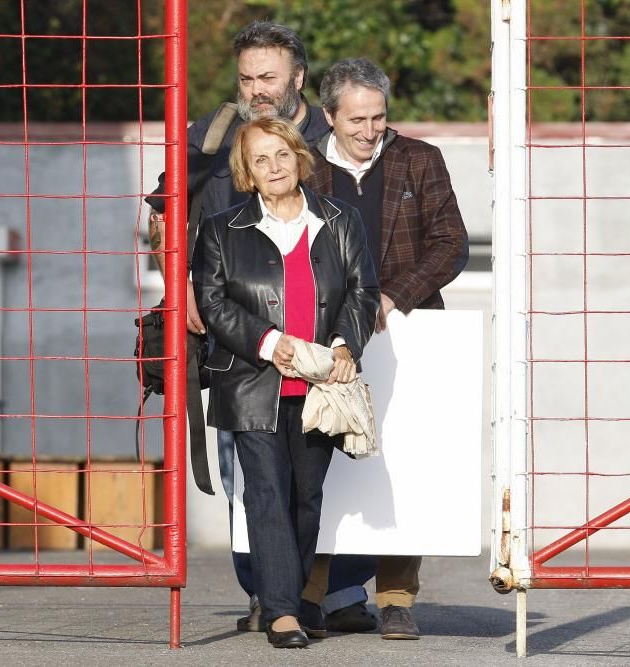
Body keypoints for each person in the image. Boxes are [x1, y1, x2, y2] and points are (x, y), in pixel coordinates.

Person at [143, 21, 331, 630]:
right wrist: (182, 287)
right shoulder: (208, 137)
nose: (257, 90)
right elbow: (164, 215)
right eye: (247, 77)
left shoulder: (333, 136)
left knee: (311, 482)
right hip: (231, 331)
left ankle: (314, 591)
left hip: (318, 334)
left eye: (268, 77)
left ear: (297, 78)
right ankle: (267, 595)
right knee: (247, 475)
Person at [191, 116, 379, 648]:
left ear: (299, 157)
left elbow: (364, 291)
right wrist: (270, 343)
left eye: (281, 155)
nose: (273, 167)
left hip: (321, 388)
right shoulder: (222, 229)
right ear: (247, 173)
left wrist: (345, 344)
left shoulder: (341, 220)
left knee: (307, 497)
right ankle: (281, 612)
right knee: (267, 493)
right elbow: (212, 302)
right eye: (260, 160)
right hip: (253, 384)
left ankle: (291, 599)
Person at [302, 57, 469, 640]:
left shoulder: (420, 159)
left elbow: (451, 244)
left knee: (405, 465)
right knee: (319, 461)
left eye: (378, 117)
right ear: (328, 116)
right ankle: (309, 596)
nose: (370, 130)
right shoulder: (301, 166)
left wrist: (392, 297)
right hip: (324, 337)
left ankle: (397, 600)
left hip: (409, 333)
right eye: (356, 120)